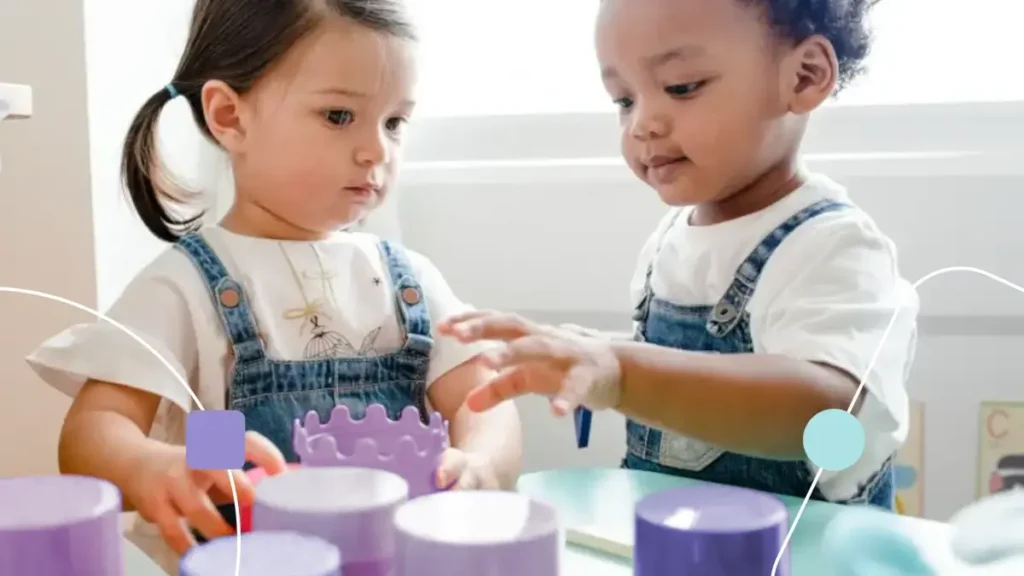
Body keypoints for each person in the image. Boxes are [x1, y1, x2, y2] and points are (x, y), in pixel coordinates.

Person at [25, 0, 521, 572]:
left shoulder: (408, 280)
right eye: (339, 116)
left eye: (394, 122)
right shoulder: (189, 283)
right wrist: (151, 468)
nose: (377, 150)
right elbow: (92, 431)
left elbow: (484, 399)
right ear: (230, 117)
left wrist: (482, 463)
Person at [440, 0, 917, 510]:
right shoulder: (671, 240)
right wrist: (595, 357)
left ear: (803, 77)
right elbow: (690, 368)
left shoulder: (833, 246)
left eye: (681, 87)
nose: (642, 124)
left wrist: (623, 370)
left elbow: (828, 420)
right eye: (624, 100)